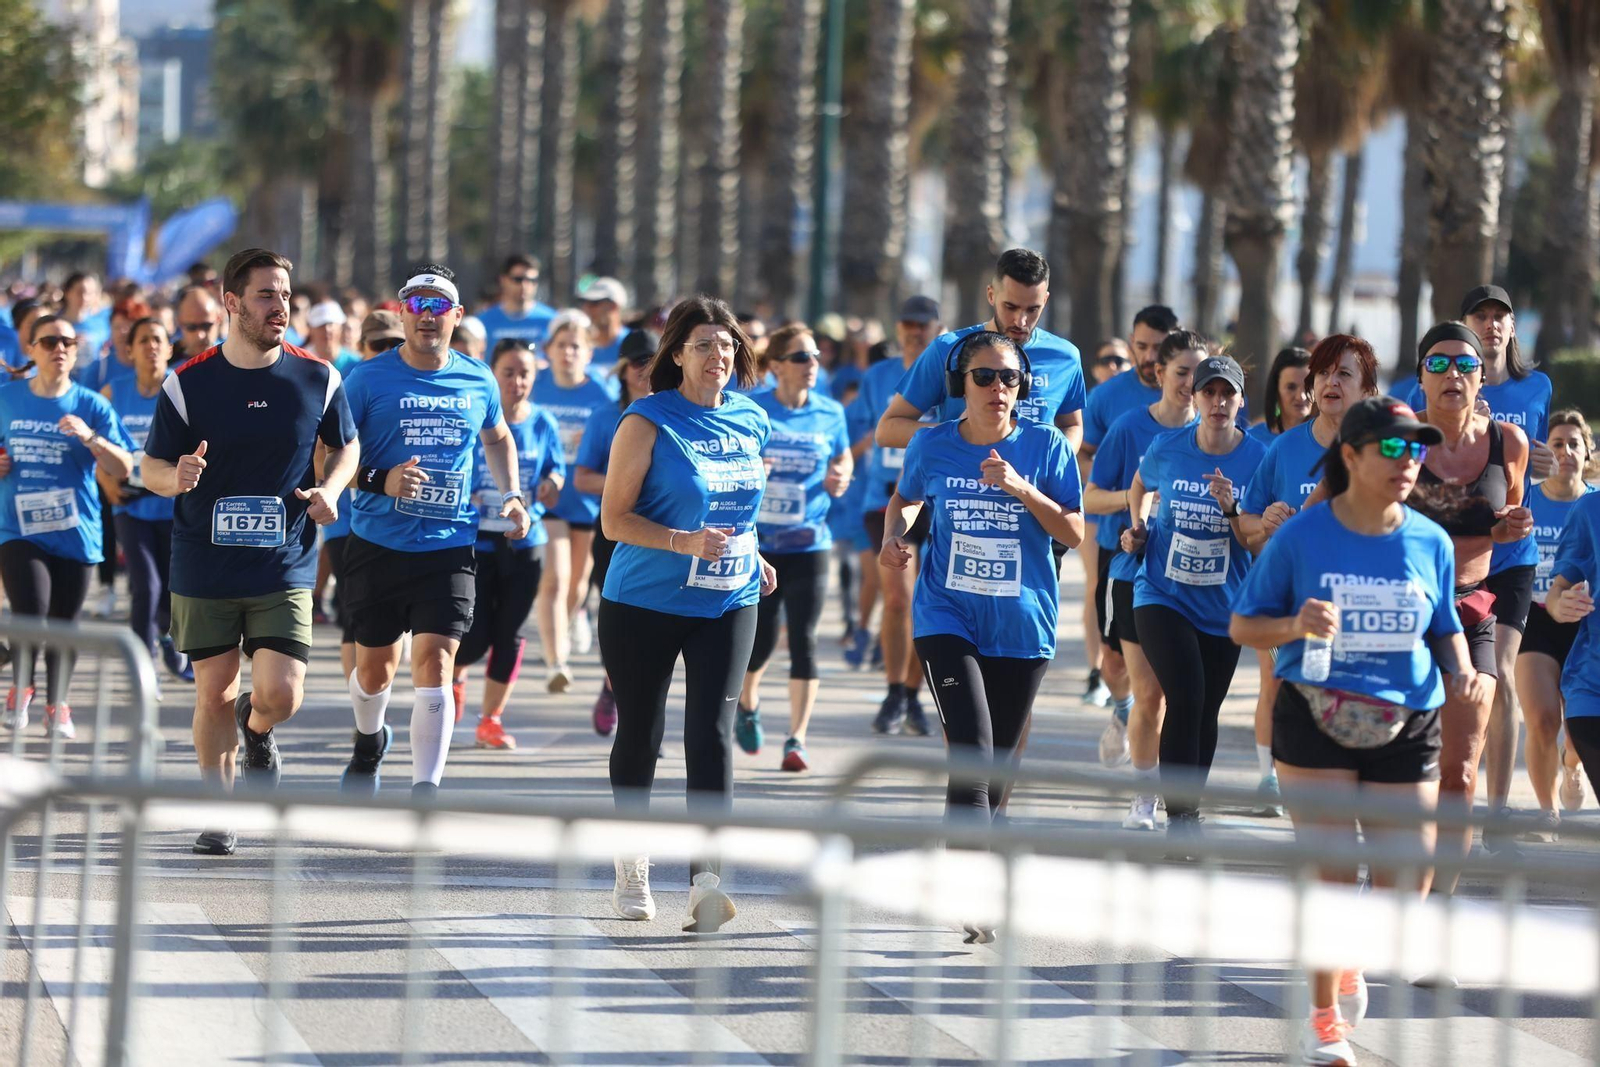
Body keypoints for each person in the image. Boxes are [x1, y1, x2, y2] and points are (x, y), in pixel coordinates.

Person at [1230, 396, 1480, 1067]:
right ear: (1351, 454)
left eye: (1417, 449)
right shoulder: (1302, 537)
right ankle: (1323, 1016)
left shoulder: (1428, 539)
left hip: (1407, 718)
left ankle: (1349, 955)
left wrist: (1461, 670)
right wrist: (1294, 626)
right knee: (1333, 876)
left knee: (1411, 873)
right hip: (1318, 712)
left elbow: (1446, 625)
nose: (1408, 462)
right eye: (1392, 448)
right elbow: (1244, 625)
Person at [142, 248, 358, 856]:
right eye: (266, 294)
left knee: (282, 694)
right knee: (213, 688)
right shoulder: (188, 382)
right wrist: (174, 476)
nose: (280, 306)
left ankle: (257, 727)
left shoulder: (318, 376)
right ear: (232, 304)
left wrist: (331, 488)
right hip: (203, 560)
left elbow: (346, 447)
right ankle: (219, 809)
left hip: (284, 559)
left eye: (286, 295)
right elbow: (151, 465)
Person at [880, 330, 1082, 943]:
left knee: (994, 766)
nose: (999, 389)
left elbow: (1072, 532)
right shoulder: (934, 443)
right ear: (960, 385)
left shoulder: (1046, 446)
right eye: (985, 377)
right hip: (946, 615)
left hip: (1022, 623)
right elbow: (905, 500)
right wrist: (896, 536)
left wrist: (1021, 488)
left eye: (1011, 379)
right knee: (970, 745)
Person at [599, 295, 776, 932]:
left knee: (711, 736)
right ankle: (632, 862)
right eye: (704, 345)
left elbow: (741, 504)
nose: (718, 356)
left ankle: (707, 882)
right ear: (677, 355)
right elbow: (613, 518)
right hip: (643, 600)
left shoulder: (754, 420)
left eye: (726, 345)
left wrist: (756, 552)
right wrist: (680, 542)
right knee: (642, 734)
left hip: (727, 598)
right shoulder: (647, 421)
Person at [337, 265, 530, 799]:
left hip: (448, 547)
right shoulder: (367, 379)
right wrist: (383, 479)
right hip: (377, 543)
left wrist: (511, 495)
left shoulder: (478, 378)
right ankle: (369, 740)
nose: (427, 316)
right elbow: (328, 457)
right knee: (375, 670)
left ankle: (426, 788)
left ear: (457, 317)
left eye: (438, 306)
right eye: (416, 305)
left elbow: (497, 439)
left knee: (436, 661)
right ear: (401, 313)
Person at [1405, 286, 1553, 840]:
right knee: (1403, 754)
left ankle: (1475, 835)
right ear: (1420, 375)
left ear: (1480, 375)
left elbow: (1511, 503)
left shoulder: (1512, 431)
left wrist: (1508, 526)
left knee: (1459, 765)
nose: (1452, 373)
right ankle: (1392, 862)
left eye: (1464, 364)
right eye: (1438, 363)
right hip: (1404, 609)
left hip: (1479, 599)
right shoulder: (1399, 437)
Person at [1121, 355, 1266, 849]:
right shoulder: (1168, 448)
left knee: (1206, 711)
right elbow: (1140, 485)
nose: (1219, 402)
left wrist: (1232, 509)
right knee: (1184, 696)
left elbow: (1255, 540)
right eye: (1210, 392)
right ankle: (1181, 817)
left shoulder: (1258, 460)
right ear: (1196, 398)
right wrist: (1138, 525)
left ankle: (1190, 806)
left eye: (1228, 393)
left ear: (1241, 400)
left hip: (1224, 603)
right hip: (1162, 593)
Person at [1237, 336, 1379, 814]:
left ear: (1367, 388)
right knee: (1288, 688)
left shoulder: (1382, 449)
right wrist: (1266, 522)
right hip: (1294, 604)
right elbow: (1245, 526)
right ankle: (1279, 782)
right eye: (1322, 374)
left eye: (1344, 374)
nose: (1330, 383)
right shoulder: (1283, 448)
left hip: (1361, 604)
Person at [1083, 329, 1204, 806]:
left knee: (1158, 694)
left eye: (1202, 373)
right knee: (1118, 671)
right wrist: (1140, 500)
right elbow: (1090, 496)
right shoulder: (1131, 427)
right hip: (1127, 564)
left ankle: (1145, 798)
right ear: (1160, 373)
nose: (1192, 383)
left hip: (1185, 580)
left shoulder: (1216, 434)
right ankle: (1120, 706)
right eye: (1183, 373)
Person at [0, 315, 135, 737]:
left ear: (76, 351)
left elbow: (125, 467)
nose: (59, 348)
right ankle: (21, 688)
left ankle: (58, 704)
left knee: (63, 624)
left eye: (68, 342)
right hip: (18, 528)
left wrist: (91, 438)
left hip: (76, 530)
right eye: (49, 341)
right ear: (32, 349)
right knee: (31, 613)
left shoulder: (92, 405)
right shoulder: (7, 397)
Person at [737, 325, 852, 771]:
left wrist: (841, 474)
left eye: (816, 356)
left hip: (810, 541)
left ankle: (796, 740)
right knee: (761, 641)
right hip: (760, 544)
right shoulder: (754, 410)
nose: (812, 365)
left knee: (804, 638)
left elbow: (842, 456)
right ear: (777, 366)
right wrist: (752, 468)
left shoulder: (829, 413)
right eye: (801, 357)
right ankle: (747, 703)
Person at [453, 339, 564, 750]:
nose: (517, 382)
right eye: (508, 373)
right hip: (476, 541)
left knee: (511, 633)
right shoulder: (476, 417)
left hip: (525, 543)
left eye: (525, 374)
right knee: (474, 633)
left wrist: (552, 484)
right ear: (492, 372)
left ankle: (491, 720)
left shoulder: (543, 423)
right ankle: (457, 675)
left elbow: (556, 470)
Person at [850, 296, 943, 733]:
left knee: (931, 605)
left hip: (937, 499)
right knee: (899, 598)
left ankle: (912, 694)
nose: (914, 331)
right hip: (885, 497)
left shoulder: (950, 373)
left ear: (936, 328)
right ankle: (893, 691)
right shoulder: (878, 377)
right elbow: (860, 428)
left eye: (923, 324)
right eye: (907, 323)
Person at [1079, 305, 1179, 710]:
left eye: (1159, 347)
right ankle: (1122, 708)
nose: (1150, 356)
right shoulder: (1109, 399)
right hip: (1116, 542)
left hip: (1176, 545)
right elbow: (1083, 459)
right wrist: (1133, 494)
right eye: (1141, 346)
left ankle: (1148, 732)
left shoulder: (1196, 399)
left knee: (1161, 670)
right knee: (1116, 661)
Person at [573, 328, 658, 736]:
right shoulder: (607, 416)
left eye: (653, 362)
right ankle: (613, 687)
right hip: (613, 532)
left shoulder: (676, 412)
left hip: (663, 532)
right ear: (623, 370)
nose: (646, 371)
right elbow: (582, 478)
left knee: (655, 629)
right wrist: (625, 482)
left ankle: (641, 716)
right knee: (621, 627)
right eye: (639, 363)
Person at [1515, 411, 1596, 832]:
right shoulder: (1527, 497)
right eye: (1557, 443)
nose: (1565, 452)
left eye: (1573, 444)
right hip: (1537, 618)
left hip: (1586, 625)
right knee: (1543, 718)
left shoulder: (1594, 504)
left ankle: (1573, 760)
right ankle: (1547, 810)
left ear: (1589, 452)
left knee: (1578, 724)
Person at [531, 308, 617, 690]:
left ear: (589, 352)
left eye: (576, 346)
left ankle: (566, 623)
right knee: (555, 576)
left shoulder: (602, 392)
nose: (568, 353)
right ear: (548, 349)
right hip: (547, 497)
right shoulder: (534, 383)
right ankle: (556, 659)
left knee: (578, 583)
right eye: (561, 345)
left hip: (586, 500)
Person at [106, 318, 191, 688]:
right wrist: (104, 478)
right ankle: (143, 670)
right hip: (130, 506)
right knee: (146, 587)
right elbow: (100, 446)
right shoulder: (113, 392)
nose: (151, 347)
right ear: (130, 350)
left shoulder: (183, 388)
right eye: (143, 340)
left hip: (172, 505)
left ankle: (170, 642)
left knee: (172, 590)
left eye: (158, 340)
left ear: (170, 348)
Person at [476, 253, 556, 349]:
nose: (525, 286)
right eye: (518, 279)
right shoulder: (484, 322)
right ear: (503, 280)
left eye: (532, 280)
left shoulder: (552, 321)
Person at [578, 276, 632, 365]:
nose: (587, 308)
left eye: (594, 303)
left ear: (614, 306)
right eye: (585, 303)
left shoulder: (634, 345)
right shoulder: (579, 347)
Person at [171, 285, 224, 369]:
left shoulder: (236, 357)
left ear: (218, 319)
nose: (200, 335)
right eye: (191, 327)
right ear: (179, 323)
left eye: (206, 326)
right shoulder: (168, 369)